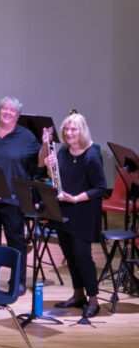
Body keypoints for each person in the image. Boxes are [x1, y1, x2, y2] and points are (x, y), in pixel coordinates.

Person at [38, 112, 105, 318]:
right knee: (69, 255)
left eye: (73, 129)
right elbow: (56, 179)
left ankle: (93, 299)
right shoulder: (64, 152)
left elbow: (100, 188)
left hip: (83, 211)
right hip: (64, 209)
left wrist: (75, 199)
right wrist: (50, 168)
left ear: (82, 131)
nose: (68, 133)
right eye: (66, 129)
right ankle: (78, 295)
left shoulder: (92, 155)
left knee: (82, 256)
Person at [0, 96, 40, 294]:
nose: (7, 112)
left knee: (16, 241)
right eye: (4, 109)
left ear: (17, 116)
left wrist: (47, 148)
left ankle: (18, 281)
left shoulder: (26, 137)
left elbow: (39, 164)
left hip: (14, 198)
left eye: (12, 110)